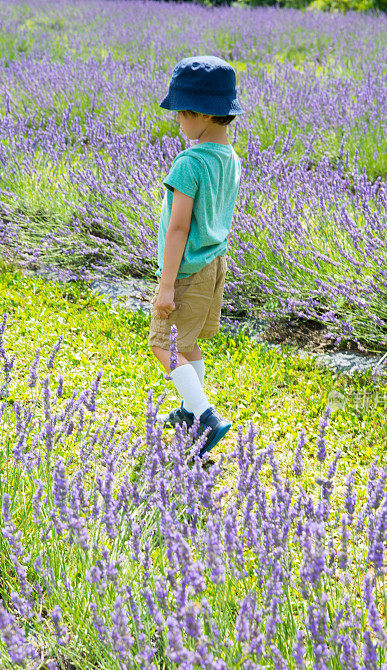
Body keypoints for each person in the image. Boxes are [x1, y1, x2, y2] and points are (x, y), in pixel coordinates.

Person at [148, 55, 243, 457]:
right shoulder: (230, 159)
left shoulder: (189, 163)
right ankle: (189, 410)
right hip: (214, 264)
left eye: (181, 114)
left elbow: (179, 228)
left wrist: (166, 286)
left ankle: (205, 415)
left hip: (187, 270)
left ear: (202, 114)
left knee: (162, 344)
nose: (177, 121)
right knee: (187, 345)